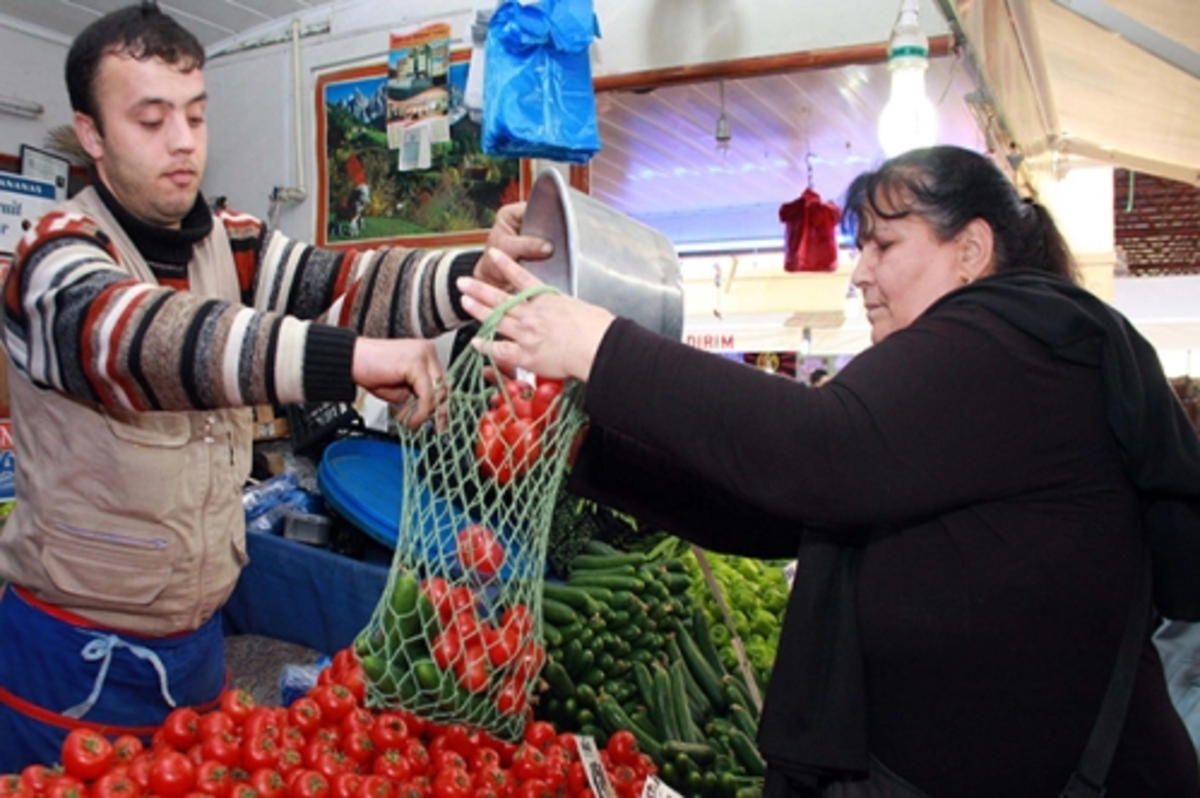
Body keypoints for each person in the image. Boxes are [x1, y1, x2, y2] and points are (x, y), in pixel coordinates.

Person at [457, 145, 1200, 796]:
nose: (860, 275)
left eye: (883, 246)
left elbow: (815, 446)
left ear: (971, 251)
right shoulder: (987, 382)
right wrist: (576, 442)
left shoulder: (1016, 338)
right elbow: (767, 509)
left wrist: (599, 345)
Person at [0, 2, 548, 768]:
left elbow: (353, 283)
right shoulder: (52, 257)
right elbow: (136, 339)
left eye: (195, 114)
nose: (184, 141)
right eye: (151, 119)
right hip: (71, 658)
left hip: (195, 648)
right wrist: (354, 359)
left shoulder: (230, 239)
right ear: (91, 133)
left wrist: (472, 274)